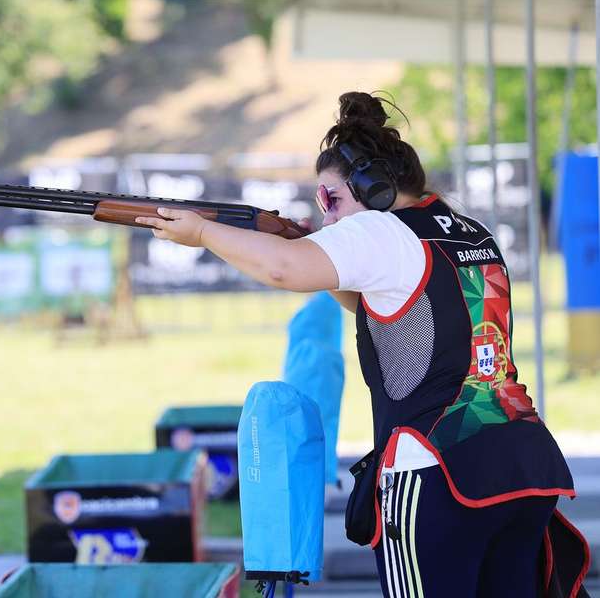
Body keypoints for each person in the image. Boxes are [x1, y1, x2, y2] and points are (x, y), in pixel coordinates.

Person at [135, 91, 583, 597]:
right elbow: (397, 313)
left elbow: (283, 269)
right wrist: (306, 252)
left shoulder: (380, 229)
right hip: (522, 465)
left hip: (438, 468)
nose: (328, 218)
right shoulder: (466, 231)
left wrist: (201, 232)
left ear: (372, 189)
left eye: (333, 200)